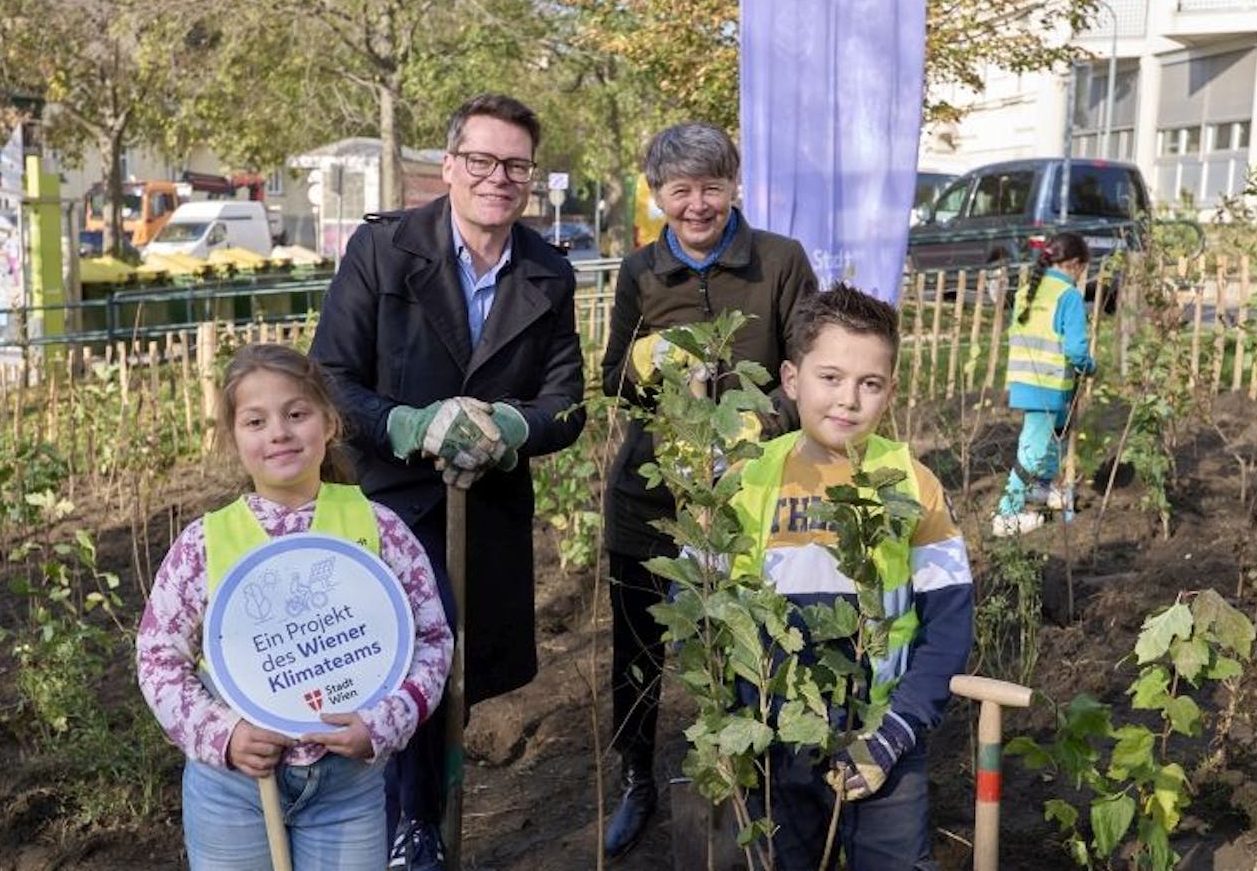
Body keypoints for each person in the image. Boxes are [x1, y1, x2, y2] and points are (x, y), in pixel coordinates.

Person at [309, 93, 587, 871]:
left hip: (485, 512)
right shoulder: (385, 253)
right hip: (391, 509)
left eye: (516, 165)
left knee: (456, 676)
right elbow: (330, 376)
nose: (499, 177)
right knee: (403, 664)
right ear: (450, 166)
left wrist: (510, 432)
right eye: (482, 160)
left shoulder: (548, 273)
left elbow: (566, 410)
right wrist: (407, 425)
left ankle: (423, 818)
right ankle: (409, 827)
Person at [136, 344, 454, 871]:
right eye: (255, 421)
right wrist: (223, 734)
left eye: (296, 414)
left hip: (346, 790)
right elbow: (156, 656)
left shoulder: (379, 529)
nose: (279, 432)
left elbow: (432, 640)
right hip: (233, 789)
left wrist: (383, 723)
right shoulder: (203, 544)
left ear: (329, 423)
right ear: (234, 439)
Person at [597, 120, 818, 858]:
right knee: (638, 654)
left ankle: (752, 777)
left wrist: (763, 423)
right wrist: (642, 362)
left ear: (734, 186)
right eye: (679, 190)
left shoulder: (780, 263)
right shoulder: (640, 272)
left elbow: (808, 370)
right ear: (657, 193)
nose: (696, 205)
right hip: (653, 502)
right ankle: (637, 781)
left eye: (711, 187)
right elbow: (612, 385)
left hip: (749, 499)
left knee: (749, 639)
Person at [726, 284, 974, 870]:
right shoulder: (748, 482)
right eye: (830, 377)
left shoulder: (911, 485)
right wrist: (741, 717)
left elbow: (949, 623)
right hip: (776, 741)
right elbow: (703, 608)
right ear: (792, 379)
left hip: (881, 739)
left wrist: (895, 732)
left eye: (870, 384)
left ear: (890, 390)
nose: (848, 401)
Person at [992, 232, 1096, 538]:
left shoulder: (1028, 290)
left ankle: (1040, 489)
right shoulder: (1069, 296)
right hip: (1050, 383)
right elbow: (1076, 351)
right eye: (1082, 270)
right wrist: (1090, 367)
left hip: (1025, 380)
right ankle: (1007, 514)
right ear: (1075, 265)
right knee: (1033, 449)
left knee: (1052, 438)